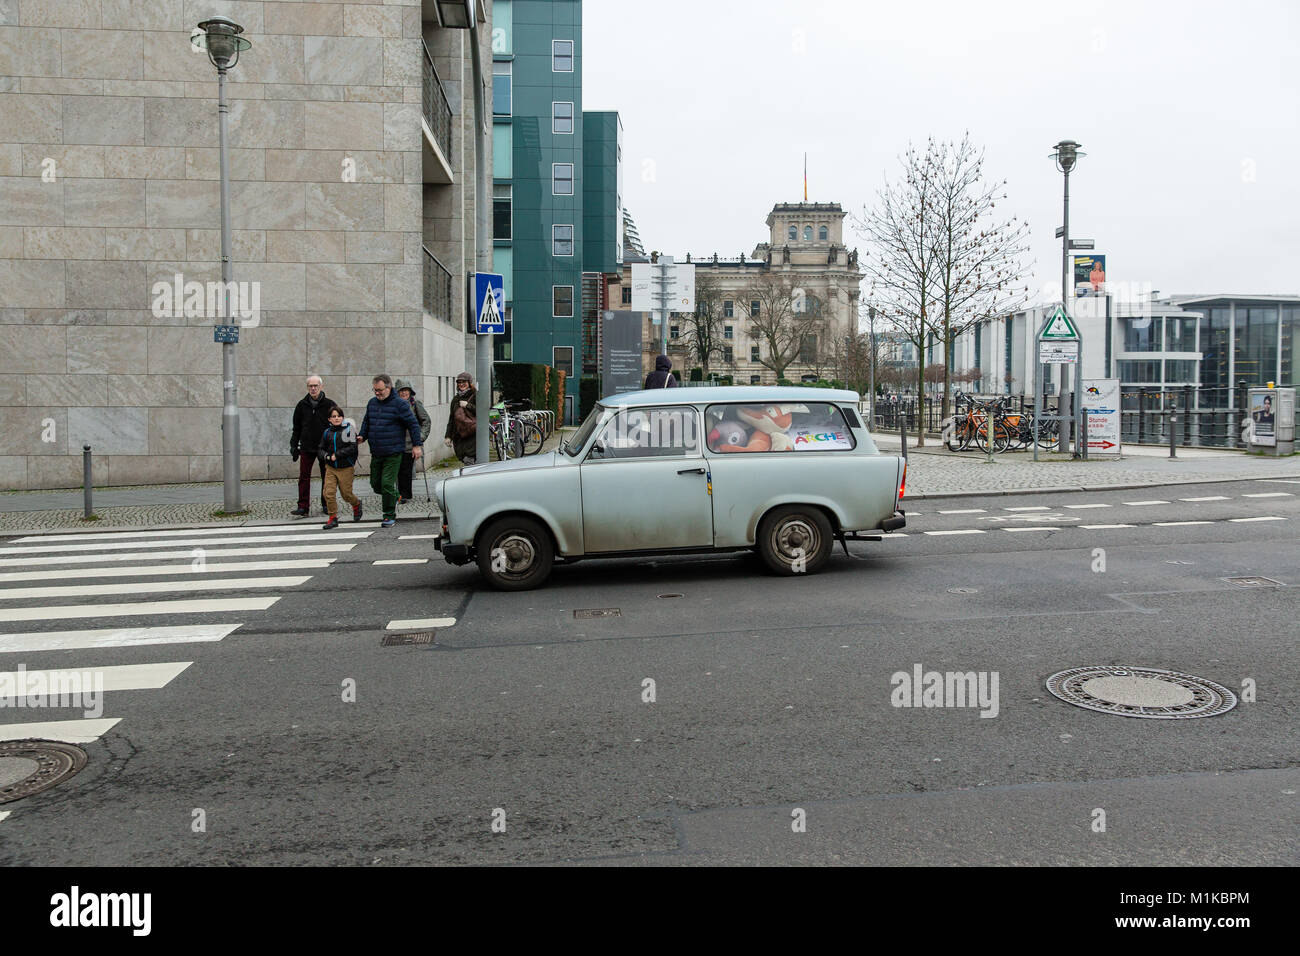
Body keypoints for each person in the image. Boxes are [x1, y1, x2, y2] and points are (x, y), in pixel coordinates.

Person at [358, 374, 423, 528]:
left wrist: (416, 445)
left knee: (387, 484)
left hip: (394, 452)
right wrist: (362, 435)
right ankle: (396, 496)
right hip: (377, 451)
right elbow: (367, 421)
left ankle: (388, 515)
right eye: (375, 390)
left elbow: (413, 425)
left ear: (389, 387)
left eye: (380, 390)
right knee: (376, 484)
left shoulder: (400, 404)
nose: (377, 393)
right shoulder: (372, 403)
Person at [290, 374, 332, 517]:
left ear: (321, 387)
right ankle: (303, 507)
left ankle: (326, 503)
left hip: (324, 447)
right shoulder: (301, 405)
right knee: (304, 477)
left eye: (315, 386)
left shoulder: (329, 404)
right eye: (310, 386)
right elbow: (296, 427)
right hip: (307, 446)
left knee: (326, 476)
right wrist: (294, 445)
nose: (313, 388)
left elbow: (335, 425)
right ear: (307, 388)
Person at [318, 405, 362, 530]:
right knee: (328, 493)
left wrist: (337, 455)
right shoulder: (327, 432)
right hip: (331, 468)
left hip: (345, 467)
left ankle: (356, 504)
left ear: (342, 417)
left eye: (338, 416)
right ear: (329, 419)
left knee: (346, 494)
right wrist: (327, 456)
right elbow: (320, 448)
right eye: (333, 416)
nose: (336, 418)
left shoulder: (348, 430)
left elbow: (352, 447)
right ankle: (333, 518)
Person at [394, 378, 432, 504]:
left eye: (406, 390)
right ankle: (398, 493)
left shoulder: (415, 404)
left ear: (410, 392)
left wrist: (421, 437)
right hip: (395, 443)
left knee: (405, 470)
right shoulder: (394, 405)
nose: (404, 393)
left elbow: (426, 420)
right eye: (401, 390)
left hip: (410, 444)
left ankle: (404, 495)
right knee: (396, 470)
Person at [443, 372, 478, 465]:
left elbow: (483, 412)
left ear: (469, 383)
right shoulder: (456, 399)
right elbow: (452, 419)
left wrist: (468, 406)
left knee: (469, 460)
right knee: (464, 459)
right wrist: (448, 436)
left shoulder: (476, 396)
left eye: (464, 382)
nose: (461, 384)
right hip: (459, 436)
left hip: (473, 435)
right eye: (459, 382)